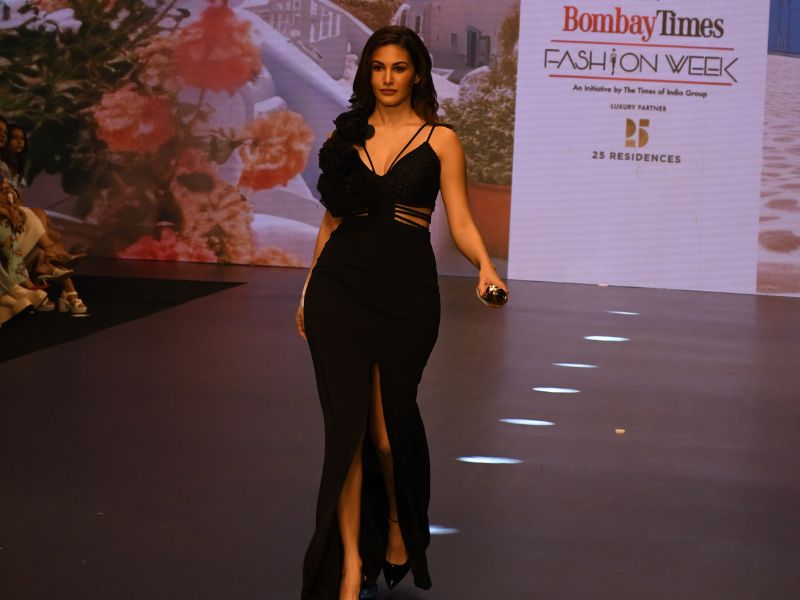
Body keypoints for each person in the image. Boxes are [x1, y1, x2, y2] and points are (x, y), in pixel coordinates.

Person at [295, 26, 508, 600]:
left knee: (388, 438)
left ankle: (396, 521)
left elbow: (460, 220)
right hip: (339, 289)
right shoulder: (346, 137)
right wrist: (309, 288)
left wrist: (486, 267)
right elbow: (332, 220)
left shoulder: (441, 140)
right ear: (367, 73)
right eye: (378, 67)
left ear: (417, 75)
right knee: (346, 434)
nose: (387, 78)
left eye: (399, 68)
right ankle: (348, 569)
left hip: (406, 295)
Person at [1, 121, 87, 314]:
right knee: (39, 217)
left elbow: (14, 198)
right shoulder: (3, 167)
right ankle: (64, 288)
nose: (18, 142)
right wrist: (11, 210)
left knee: (54, 235)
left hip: (12, 215)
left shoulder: (13, 167)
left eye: (21, 138)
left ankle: (67, 290)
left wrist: (14, 208)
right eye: (14, 137)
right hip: (6, 219)